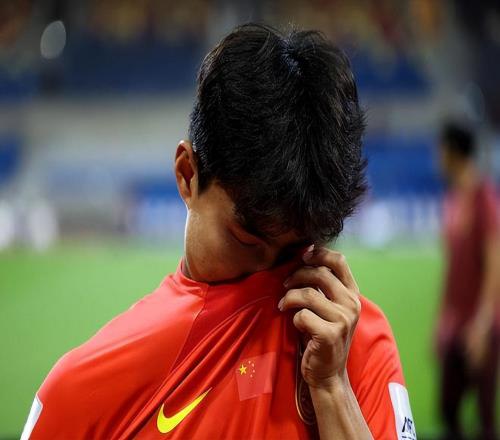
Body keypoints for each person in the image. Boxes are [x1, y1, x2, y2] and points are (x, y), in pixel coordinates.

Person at [21, 23, 415, 440]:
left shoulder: (355, 339)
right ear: (187, 175)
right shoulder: (80, 393)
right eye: (247, 240)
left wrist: (333, 389)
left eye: (296, 249)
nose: (271, 276)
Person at [436, 122, 500, 440]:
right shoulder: (453, 198)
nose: (437, 157)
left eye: (441, 149)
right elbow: (453, 269)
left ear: (453, 152)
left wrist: (482, 326)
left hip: (479, 326)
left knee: (484, 416)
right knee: (448, 409)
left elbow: (494, 265)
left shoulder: (483, 198)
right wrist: (443, 320)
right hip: (456, 324)